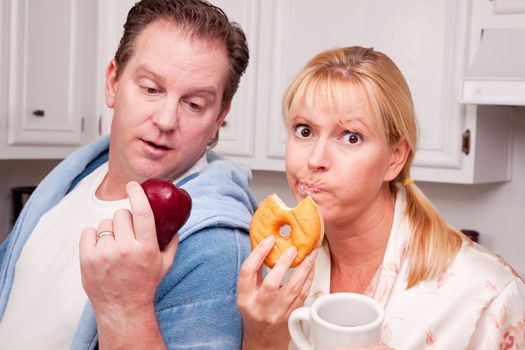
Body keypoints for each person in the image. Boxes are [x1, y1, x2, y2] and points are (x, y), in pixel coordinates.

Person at [0, 0, 255, 349]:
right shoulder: (74, 178)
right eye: (151, 89)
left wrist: (126, 308)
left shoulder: (218, 250)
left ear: (219, 117)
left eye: (194, 104)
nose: (166, 120)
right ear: (112, 82)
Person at [237, 46, 525, 349]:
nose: (315, 159)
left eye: (351, 136)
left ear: (395, 158)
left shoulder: (487, 294)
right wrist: (260, 337)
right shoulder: (275, 278)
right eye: (304, 130)